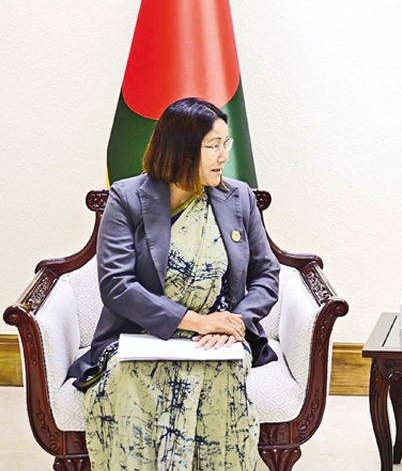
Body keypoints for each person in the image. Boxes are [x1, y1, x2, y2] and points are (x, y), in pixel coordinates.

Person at [67, 97, 280, 470]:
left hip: (220, 340)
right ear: (181, 148)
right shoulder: (128, 197)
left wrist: (235, 322)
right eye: (213, 145)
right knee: (130, 377)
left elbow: (267, 276)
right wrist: (198, 322)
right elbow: (117, 285)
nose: (223, 155)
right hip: (140, 335)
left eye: (225, 143)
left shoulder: (239, 197)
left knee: (222, 377)